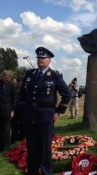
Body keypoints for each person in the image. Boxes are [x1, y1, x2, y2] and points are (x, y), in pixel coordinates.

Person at [18, 47, 71, 175]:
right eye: (38, 58)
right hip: (30, 115)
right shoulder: (30, 74)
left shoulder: (55, 76)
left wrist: (58, 111)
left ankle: (46, 172)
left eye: (43, 58)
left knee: (45, 149)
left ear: (49, 60)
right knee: (32, 148)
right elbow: (22, 94)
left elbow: (67, 94)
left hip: (46, 116)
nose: (40, 60)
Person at [0, 70, 17, 152]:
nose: (8, 79)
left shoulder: (11, 85)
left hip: (7, 110)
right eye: (6, 78)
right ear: (2, 76)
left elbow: (14, 98)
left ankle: (6, 147)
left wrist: (12, 110)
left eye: (9, 78)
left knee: (6, 128)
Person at [11, 76, 26, 144]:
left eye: (22, 82)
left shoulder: (26, 90)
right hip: (15, 109)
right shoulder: (13, 89)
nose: (21, 83)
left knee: (22, 125)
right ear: (17, 82)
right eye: (20, 82)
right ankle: (14, 139)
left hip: (23, 109)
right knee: (14, 125)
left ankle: (21, 139)